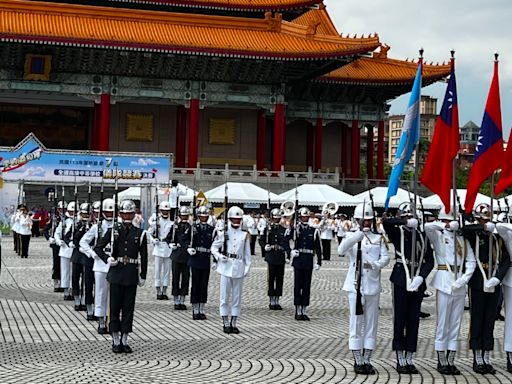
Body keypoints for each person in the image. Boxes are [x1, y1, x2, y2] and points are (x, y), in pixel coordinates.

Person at [338, 203, 390, 374]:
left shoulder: (378, 237)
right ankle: (357, 360)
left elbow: (386, 258)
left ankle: (367, 358)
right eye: (363, 220)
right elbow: (340, 250)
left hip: (373, 285)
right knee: (356, 323)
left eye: (369, 220)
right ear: (357, 220)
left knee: (371, 324)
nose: (366, 223)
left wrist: (374, 264)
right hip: (355, 285)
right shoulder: (351, 235)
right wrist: (356, 237)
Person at [383, 202, 434, 374]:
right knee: (400, 318)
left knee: (413, 320)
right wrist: (403, 222)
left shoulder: (422, 236)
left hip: (417, 281)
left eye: (412, 217)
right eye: (407, 216)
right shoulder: (398, 232)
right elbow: (386, 223)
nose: (410, 219)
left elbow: (430, 259)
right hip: (401, 279)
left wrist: (421, 277)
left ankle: (410, 356)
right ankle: (400, 357)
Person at [425, 209, 476, 375]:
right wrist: (443, 224)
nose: (448, 224)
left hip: (459, 282)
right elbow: (427, 227)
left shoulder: (462, 240)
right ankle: (441, 360)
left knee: (455, 323)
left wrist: (464, 279)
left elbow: (471, 262)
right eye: (445, 221)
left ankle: (451, 360)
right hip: (444, 280)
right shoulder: (439, 237)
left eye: (451, 221)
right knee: (443, 323)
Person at [461, 203, 510, 374]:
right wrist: (482, 227)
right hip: (477, 282)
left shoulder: (497, 237)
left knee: (490, 320)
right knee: (477, 319)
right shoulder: (474, 234)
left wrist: (498, 278)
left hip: (493, 282)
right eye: (482, 219)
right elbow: (464, 229)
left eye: (487, 219)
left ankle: (487, 356)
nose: (484, 222)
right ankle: (477, 357)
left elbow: (506, 260)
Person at [94, 199, 148, 353]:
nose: (127, 216)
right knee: (114, 307)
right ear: (120, 214)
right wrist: (107, 259)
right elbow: (98, 248)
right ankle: (115, 339)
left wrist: (143, 274)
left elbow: (143, 256)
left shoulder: (140, 233)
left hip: (131, 274)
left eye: (130, 213)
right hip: (116, 273)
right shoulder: (113, 231)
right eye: (124, 213)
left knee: (128, 308)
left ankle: (125, 338)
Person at [211, 206, 251, 334]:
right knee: (224, 296)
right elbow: (214, 248)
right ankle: (225, 321)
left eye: (238, 219)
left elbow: (247, 255)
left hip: (238, 266)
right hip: (226, 266)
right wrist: (218, 256)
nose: (236, 222)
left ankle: (234, 321)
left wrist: (247, 268)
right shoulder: (224, 233)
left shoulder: (244, 234)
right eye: (234, 219)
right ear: (229, 219)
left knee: (236, 297)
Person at [80, 198, 116, 334]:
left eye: (112, 211)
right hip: (100, 264)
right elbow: (83, 242)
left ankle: (112, 320)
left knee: (114, 295)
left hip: (114, 264)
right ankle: (101, 320)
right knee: (101, 293)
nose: (110, 214)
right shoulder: (97, 227)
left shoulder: (118, 226)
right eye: (107, 211)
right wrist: (92, 253)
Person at [290, 207, 322, 321]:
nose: (305, 218)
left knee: (306, 286)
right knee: (298, 286)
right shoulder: (296, 229)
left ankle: (304, 309)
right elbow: (285, 240)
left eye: (306, 217)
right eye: (303, 216)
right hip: (298, 260)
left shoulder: (314, 230)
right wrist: (291, 251)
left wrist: (319, 262)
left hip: (308, 260)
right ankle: (298, 309)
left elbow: (318, 247)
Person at [259, 208, 291, 310]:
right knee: (271, 278)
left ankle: (277, 299)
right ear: (272, 218)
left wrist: (288, 255)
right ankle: (271, 299)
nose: (277, 220)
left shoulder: (284, 230)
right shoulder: (268, 229)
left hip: (280, 255)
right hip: (271, 256)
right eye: (275, 218)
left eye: (278, 218)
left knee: (280, 278)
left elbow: (286, 243)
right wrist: (265, 247)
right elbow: (261, 240)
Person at [189, 205, 216, 320]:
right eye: (201, 216)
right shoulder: (193, 228)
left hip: (205, 259)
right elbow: (186, 239)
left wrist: (215, 259)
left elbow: (215, 245)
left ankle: (202, 308)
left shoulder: (211, 229)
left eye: (205, 216)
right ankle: (195, 309)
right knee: (195, 284)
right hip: (195, 258)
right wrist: (188, 248)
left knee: (204, 284)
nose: (203, 218)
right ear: (198, 216)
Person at [70, 202, 95, 319]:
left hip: (87, 254)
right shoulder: (77, 224)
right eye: (84, 214)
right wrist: (81, 229)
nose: (86, 216)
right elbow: (73, 237)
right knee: (76, 277)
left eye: (87, 214)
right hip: (77, 253)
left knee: (86, 279)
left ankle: (85, 300)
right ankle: (76, 299)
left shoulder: (94, 225)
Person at [165, 206, 193, 310]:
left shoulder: (191, 227)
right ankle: (176, 299)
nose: (184, 217)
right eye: (183, 216)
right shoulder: (175, 227)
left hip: (186, 256)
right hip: (176, 255)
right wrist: (170, 244)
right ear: (180, 216)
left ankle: (182, 299)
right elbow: (168, 238)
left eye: (186, 216)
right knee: (176, 278)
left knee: (185, 278)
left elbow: (192, 240)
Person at [496, 214, 512, 373]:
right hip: (511, 280)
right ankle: (510, 353)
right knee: (511, 319)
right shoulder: (508, 232)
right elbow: (499, 226)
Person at [148, 201, 173, 300]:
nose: (165, 212)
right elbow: (148, 233)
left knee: (167, 271)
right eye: (163, 210)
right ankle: (158, 290)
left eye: (167, 210)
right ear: (160, 210)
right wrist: (153, 240)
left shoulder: (172, 223)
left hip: (168, 248)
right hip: (158, 248)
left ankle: (164, 291)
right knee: (157, 271)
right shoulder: (156, 222)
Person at [54, 202, 76, 301]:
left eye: (74, 211)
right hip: (64, 249)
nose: (72, 213)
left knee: (73, 272)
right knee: (65, 271)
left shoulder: (79, 221)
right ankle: (66, 290)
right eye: (70, 211)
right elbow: (57, 233)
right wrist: (59, 242)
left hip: (74, 249)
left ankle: (72, 290)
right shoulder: (64, 221)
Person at [47, 200, 66, 292]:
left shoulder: (68, 219)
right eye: (60, 209)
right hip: (55, 244)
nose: (62, 210)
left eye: (64, 209)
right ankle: (56, 282)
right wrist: (49, 238)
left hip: (65, 244)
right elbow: (47, 229)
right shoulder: (55, 219)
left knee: (65, 265)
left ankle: (64, 282)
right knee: (56, 264)